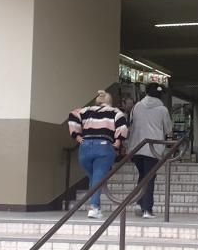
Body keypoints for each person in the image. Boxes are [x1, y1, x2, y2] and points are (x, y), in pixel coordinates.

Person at [68, 90, 129, 219]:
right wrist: (118, 140)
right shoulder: (115, 112)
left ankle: (97, 207)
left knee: (94, 178)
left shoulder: (85, 110)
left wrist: (77, 136)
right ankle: (94, 207)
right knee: (98, 177)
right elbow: (122, 126)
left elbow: (72, 114)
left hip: (84, 148)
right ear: (109, 101)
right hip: (103, 147)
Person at [126, 82, 173, 218]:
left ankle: (139, 203)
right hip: (153, 148)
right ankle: (147, 209)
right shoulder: (163, 110)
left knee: (143, 175)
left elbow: (131, 123)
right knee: (150, 177)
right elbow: (168, 129)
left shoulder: (137, 106)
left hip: (136, 147)